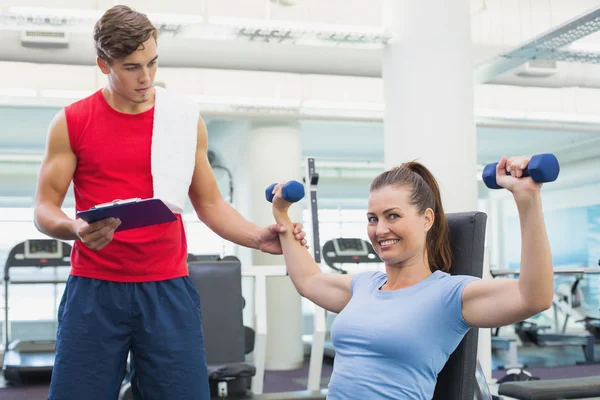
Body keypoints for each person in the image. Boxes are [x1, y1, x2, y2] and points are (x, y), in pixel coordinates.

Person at [33, 5, 307, 400]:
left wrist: (255, 237)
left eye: (153, 62)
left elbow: (209, 203)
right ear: (103, 64)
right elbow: (44, 208)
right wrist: (73, 228)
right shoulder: (72, 121)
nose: (146, 77)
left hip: (166, 287)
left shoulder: (181, 119)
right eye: (131, 67)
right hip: (95, 289)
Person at [271, 156, 554, 400]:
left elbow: (533, 297)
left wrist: (527, 198)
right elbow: (308, 279)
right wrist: (282, 214)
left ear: (427, 220)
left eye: (393, 216)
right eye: (373, 218)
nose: (380, 229)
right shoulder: (363, 286)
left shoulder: (448, 295)